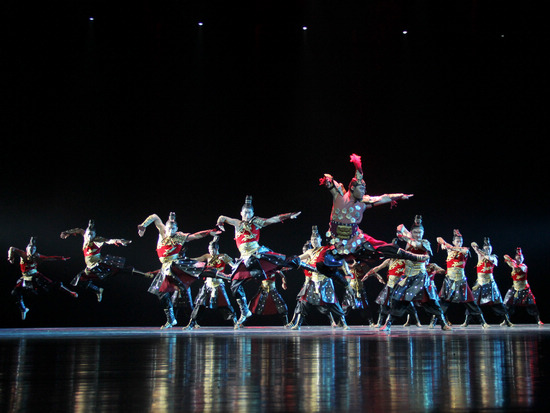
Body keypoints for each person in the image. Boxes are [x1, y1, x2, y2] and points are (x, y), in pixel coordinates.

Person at [216, 195, 311, 329]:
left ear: (253, 213)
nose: (247, 214)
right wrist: (220, 223)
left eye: (250, 212)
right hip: (244, 258)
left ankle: (302, 262)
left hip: (257, 254)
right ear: (241, 213)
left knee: (281, 263)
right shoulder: (237, 223)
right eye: (245, 212)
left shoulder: (256, 222)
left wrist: (288, 216)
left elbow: (272, 220)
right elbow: (222, 217)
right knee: (234, 285)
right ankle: (245, 311)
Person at [319, 153, 426, 263]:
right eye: (361, 188)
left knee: (380, 247)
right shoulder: (339, 197)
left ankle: (412, 256)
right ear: (352, 188)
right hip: (335, 240)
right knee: (322, 263)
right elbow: (330, 180)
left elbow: (383, 198)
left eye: (364, 189)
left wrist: (400, 196)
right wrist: (328, 179)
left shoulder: (364, 202)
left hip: (355, 240)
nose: (363, 191)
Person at [137, 212, 221, 329]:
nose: (170, 231)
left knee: (185, 294)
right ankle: (171, 319)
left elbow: (195, 236)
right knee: (161, 293)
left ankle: (193, 321)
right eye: (169, 228)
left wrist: (208, 232)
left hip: (176, 267)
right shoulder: (162, 232)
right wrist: (143, 225)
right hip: (165, 268)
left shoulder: (179, 237)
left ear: (176, 229)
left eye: (173, 229)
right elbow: (155, 217)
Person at [385, 216, 450, 332]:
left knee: (431, 300)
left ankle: (443, 323)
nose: (418, 234)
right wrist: (402, 233)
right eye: (415, 232)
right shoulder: (408, 243)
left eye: (420, 232)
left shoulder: (425, 242)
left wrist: (404, 236)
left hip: (420, 275)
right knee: (397, 299)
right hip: (407, 275)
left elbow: (417, 245)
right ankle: (388, 323)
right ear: (412, 232)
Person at [286, 226, 351, 330]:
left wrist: (346, 272)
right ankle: (298, 324)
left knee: (332, 302)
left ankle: (344, 323)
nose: (314, 241)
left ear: (320, 240)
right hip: (313, 280)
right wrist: (287, 263)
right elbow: (298, 258)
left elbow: (339, 259)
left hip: (325, 280)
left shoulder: (326, 250)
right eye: (312, 240)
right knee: (303, 301)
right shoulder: (309, 251)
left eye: (316, 239)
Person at [60, 219, 134, 302]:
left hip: (97, 263)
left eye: (91, 235)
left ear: (94, 234)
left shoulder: (98, 240)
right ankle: (97, 290)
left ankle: (132, 271)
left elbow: (109, 241)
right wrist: (66, 232)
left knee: (113, 270)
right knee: (81, 280)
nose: (89, 236)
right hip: (89, 266)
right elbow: (79, 230)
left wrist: (120, 241)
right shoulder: (85, 235)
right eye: (88, 234)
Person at [8, 237, 76, 320]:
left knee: (51, 284)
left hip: (35, 276)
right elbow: (12, 248)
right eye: (30, 250)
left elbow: (48, 258)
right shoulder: (23, 254)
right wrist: (11, 257)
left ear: (35, 250)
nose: (31, 252)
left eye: (33, 250)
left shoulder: (36, 256)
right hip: (25, 277)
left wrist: (60, 258)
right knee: (15, 292)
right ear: (27, 249)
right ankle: (23, 309)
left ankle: (70, 292)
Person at [436, 229, 489, 328]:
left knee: (470, 301)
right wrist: (444, 243)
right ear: (453, 241)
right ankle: (434, 321)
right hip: (449, 279)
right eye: (457, 241)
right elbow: (438, 238)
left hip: (461, 279)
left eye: (461, 241)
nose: (459, 243)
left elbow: (464, 251)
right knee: (443, 301)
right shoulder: (449, 249)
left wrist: (450, 246)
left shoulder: (464, 249)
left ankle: (483, 322)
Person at [183, 236, 238, 330]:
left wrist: (232, 275)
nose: (210, 252)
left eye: (212, 250)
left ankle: (235, 322)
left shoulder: (223, 256)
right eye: (209, 250)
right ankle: (191, 323)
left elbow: (234, 266)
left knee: (224, 305)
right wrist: (185, 259)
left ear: (216, 249)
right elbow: (196, 259)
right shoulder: (207, 256)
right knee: (199, 304)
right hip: (207, 284)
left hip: (218, 284)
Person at [470, 238, 513, 327]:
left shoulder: (494, 257)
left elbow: (488, 258)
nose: (488, 250)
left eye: (489, 249)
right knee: (473, 302)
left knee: (498, 302)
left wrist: (480, 251)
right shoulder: (480, 256)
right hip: (479, 283)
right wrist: (475, 247)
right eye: (486, 248)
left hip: (490, 283)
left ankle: (507, 320)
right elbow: (474, 246)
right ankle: (467, 321)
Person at [503, 248, 543, 325]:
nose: (520, 259)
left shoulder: (524, 266)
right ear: (516, 258)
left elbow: (517, 269)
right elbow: (505, 256)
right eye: (518, 258)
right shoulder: (513, 265)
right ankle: (506, 320)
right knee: (507, 303)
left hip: (525, 288)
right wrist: (510, 260)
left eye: (521, 258)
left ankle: (538, 320)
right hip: (515, 287)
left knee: (532, 304)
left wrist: (511, 261)